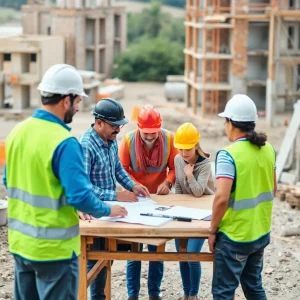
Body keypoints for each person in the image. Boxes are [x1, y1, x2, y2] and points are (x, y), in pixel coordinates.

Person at [2, 64, 127, 300]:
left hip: (21, 246)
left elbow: (9, 180)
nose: (79, 107)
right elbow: (79, 196)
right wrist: (108, 209)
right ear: (66, 100)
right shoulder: (64, 142)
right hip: (54, 252)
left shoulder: (18, 132)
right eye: (78, 100)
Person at [79, 98, 150, 300]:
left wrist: (132, 185)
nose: (118, 131)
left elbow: (117, 168)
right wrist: (116, 195)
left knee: (106, 259)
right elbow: (84, 187)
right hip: (94, 212)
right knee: (95, 260)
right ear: (99, 122)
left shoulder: (111, 140)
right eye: (114, 126)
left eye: (120, 126)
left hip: (110, 211)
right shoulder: (86, 145)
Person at [208, 95, 277, 300]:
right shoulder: (269, 149)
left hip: (235, 237)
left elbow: (221, 198)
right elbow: (273, 189)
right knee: (253, 286)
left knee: (223, 293)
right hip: (260, 232)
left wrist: (212, 230)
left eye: (225, 121)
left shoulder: (228, 155)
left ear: (230, 123)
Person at [118, 105, 178, 300]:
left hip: (158, 200)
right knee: (134, 250)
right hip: (135, 200)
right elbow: (122, 170)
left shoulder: (169, 139)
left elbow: (174, 167)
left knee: (156, 250)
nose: (151, 137)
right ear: (139, 128)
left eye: (154, 133)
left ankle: (154, 294)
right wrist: (135, 186)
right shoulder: (127, 141)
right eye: (146, 134)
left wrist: (168, 182)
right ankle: (132, 295)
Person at [173, 123, 214, 300]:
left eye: (187, 150)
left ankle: (194, 295)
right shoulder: (177, 160)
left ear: (196, 145)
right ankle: (186, 293)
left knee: (191, 255)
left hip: (203, 213)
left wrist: (189, 174)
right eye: (180, 149)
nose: (183, 154)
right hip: (184, 211)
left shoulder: (205, 164)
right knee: (181, 255)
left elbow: (198, 192)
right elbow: (178, 186)